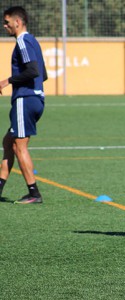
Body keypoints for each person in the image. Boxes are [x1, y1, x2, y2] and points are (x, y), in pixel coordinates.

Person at [0, 6, 47, 204]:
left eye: (7, 22)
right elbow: (43, 74)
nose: (5, 26)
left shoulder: (22, 41)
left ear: (17, 22)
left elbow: (33, 71)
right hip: (34, 98)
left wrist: (7, 81)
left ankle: (34, 193)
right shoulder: (33, 41)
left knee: (19, 146)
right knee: (8, 142)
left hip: (25, 99)